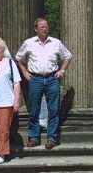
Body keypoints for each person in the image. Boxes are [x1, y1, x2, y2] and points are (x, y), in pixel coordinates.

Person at [16, 18, 72, 149]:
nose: (45, 28)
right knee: (34, 109)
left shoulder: (56, 43)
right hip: (35, 79)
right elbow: (18, 58)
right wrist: (24, 72)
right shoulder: (28, 43)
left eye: (46, 26)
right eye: (41, 27)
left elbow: (68, 56)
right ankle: (34, 137)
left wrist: (62, 70)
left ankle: (52, 138)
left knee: (53, 109)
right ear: (36, 29)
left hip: (52, 78)